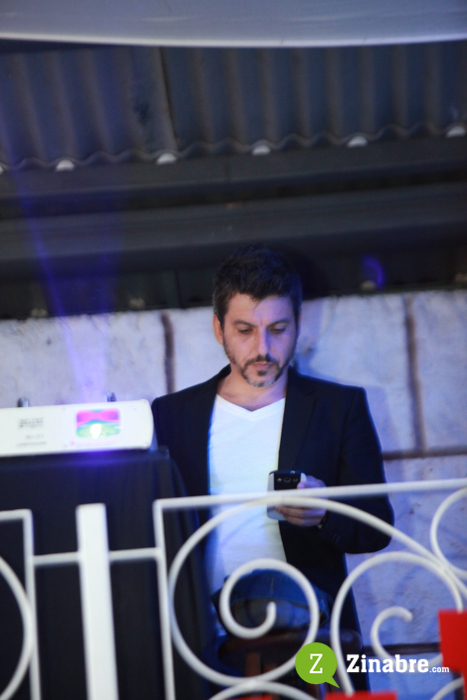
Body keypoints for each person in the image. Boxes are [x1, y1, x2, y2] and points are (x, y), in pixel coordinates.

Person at [152, 245, 394, 687]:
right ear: (218, 329)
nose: (262, 348)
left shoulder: (339, 407)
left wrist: (325, 514)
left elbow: (377, 526)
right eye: (245, 330)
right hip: (200, 637)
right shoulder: (171, 415)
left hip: (310, 634)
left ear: (298, 324)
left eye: (278, 329)